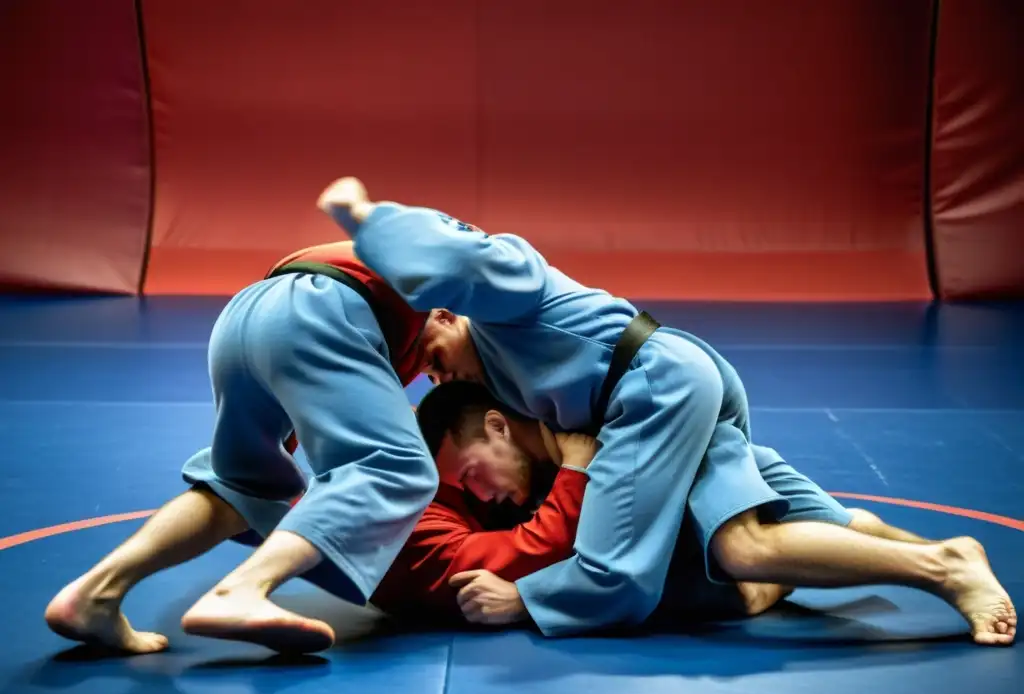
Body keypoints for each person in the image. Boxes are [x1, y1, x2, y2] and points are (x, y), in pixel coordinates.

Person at [317, 177, 1016, 646]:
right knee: (783, 524)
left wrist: (365, 223)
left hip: (654, 389)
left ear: (443, 307)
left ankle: (943, 572)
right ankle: (938, 553)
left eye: (424, 348)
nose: (423, 368)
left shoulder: (497, 301)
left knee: (714, 556)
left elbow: (457, 257)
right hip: (677, 379)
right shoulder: (495, 379)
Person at [44, 241, 444, 655]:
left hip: (250, 315)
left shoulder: (392, 337)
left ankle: (94, 594)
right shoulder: (470, 302)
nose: (437, 376)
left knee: (244, 486)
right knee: (395, 467)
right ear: (448, 317)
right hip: (316, 310)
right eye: (439, 361)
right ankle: (239, 592)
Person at [370, 382, 794, 627]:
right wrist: (574, 471)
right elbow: (531, 552)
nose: (477, 493)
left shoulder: (572, 419)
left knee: (747, 563)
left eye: (469, 476)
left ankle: (807, 559)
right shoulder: (413, 527)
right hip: (704, 449)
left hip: (704, 447)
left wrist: (523, 603)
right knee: (756, 572)